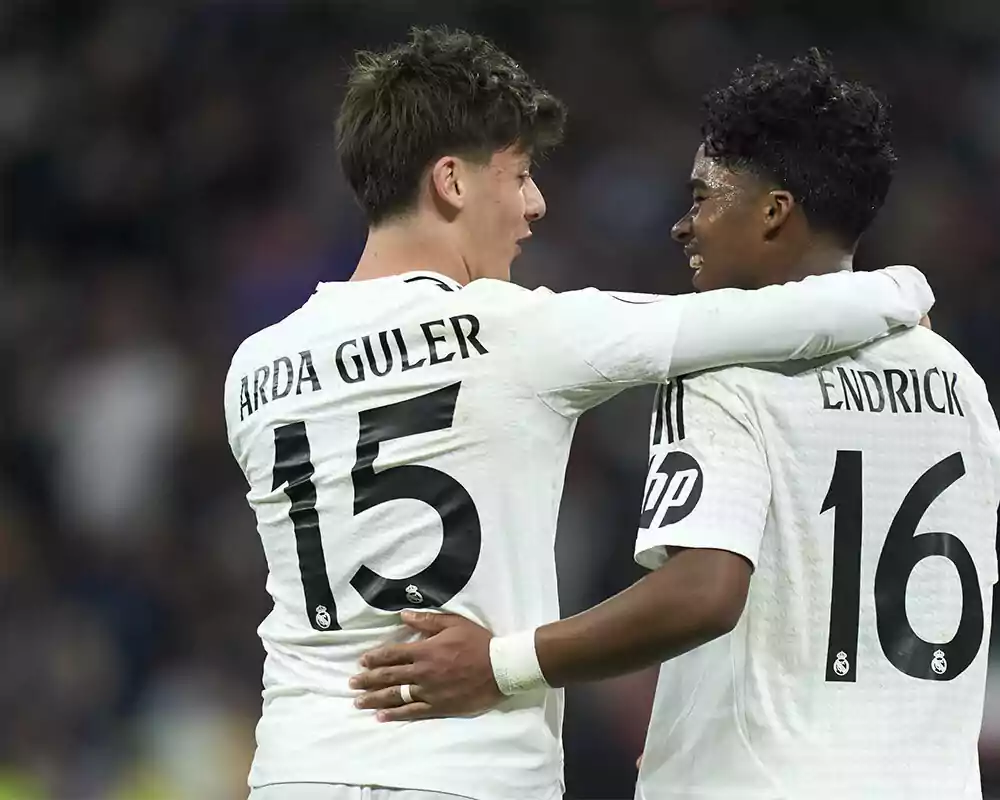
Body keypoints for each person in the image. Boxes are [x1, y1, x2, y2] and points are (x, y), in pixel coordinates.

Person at [224, 29, 934, 800]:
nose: (534, 204)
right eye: (520, 174)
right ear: (452, 182)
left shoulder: (253, 370)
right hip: (463, 771)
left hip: (294, 770)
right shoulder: (517, 332)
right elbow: (768, 318)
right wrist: (901, 294)